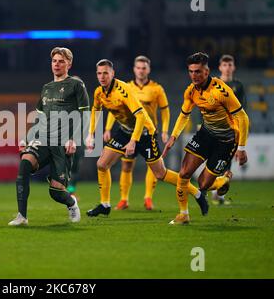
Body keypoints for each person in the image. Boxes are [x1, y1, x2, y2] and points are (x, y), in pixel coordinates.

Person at [85, 59, 204, 218]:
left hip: (146, 133)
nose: (102, 76)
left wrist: (133, 141)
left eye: (105, 73)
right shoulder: (99, 92)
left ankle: (196, 193)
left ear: (112, 74)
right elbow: (96, 110)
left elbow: (141, 116)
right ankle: (105, 204)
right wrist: (91, 134)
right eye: (99, 73)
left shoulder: (123, 90)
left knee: (160, 174)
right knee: (101, 164)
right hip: (126, 131)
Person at [162, 52, 249, 225]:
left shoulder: (221, 91)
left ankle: (223, 180)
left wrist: (241, 147)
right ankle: (183, 214)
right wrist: (173, 136)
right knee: (184, 173)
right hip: (206, 134)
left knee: (203, 184)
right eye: (191, 71)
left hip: (226, 141)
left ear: (207, 72)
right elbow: (184, 114)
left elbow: (243, 117)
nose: (194, 75)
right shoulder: (191, 91)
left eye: (198, 72)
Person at [8, 47, 90, 226]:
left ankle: (71, 203)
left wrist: (74, 139)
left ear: (69, 63)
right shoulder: (46, 88)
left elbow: (85, 114)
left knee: (56, 192)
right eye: (54, 61)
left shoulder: (76, 85)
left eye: (61, 61)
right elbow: (40, 120)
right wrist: (27, 137)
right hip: (44, 139)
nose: (57, 64)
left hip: (63, 144)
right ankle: (22, 216)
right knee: (25, 164)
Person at [103, 56, 170, 210]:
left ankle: (148, 198)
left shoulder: (157, 89)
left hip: (148, 133)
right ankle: (124, 199)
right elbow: (115, 110)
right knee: (126, 166)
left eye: (144, 68)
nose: (141, 71)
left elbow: (165, 111)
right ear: (134, 69)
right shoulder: (126, 87)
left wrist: (165, 130)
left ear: (148, 69)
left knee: (152, 167)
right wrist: (107, 128)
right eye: (138, 68)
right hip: (129, 133)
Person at [210, 55, 247, 205]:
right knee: (216, 160)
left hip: (232, 128)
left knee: (227, 161)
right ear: (220, 67)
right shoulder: (213, 84)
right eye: (224, 65)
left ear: (234, 67)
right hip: (215, 127)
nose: (227, 67)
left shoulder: (238, 85)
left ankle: (219, 194)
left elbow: (242, 108)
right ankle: (215, 190)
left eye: (230, 64)